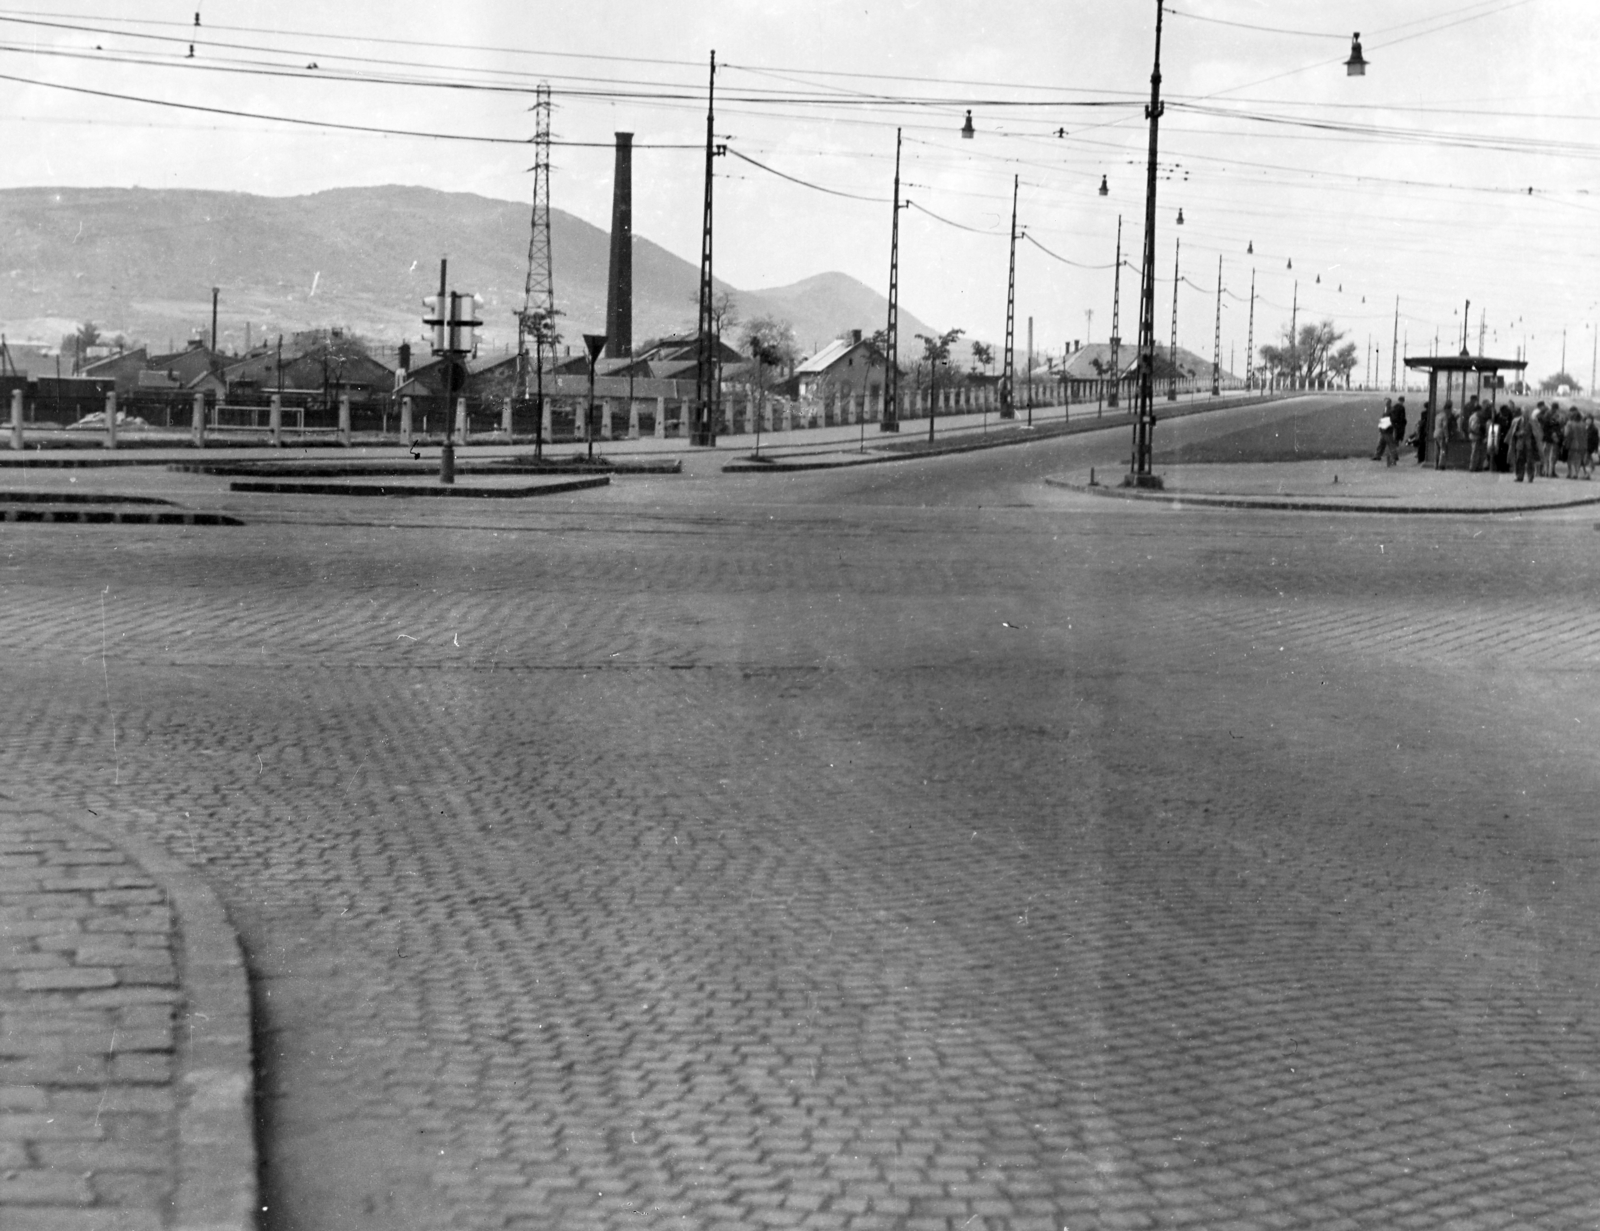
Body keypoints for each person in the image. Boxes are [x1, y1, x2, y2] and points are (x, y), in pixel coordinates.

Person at [1509, 403, 1541, 482]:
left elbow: (1538, 432)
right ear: (1522, 412)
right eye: (1524, 412)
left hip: (1529, 444)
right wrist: (1519, 433)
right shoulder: (1517, 421)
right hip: (1520, 444)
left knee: (1530, 461)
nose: (1526, 414)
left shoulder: (1533, 421)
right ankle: (1519, 476)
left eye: (1527, 412)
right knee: (1519, 461)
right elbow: (1513, 433)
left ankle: (1530, 476)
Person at [1564, 406, 1587, 479]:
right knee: (1578, 460)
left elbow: (1566, 434)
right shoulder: (1583, 424)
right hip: (1582, 445)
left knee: (1570, 459)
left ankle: (1570, 473)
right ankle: (1576, 473)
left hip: (1572, 444)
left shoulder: (1569, 423)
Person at [1468, 400, 1489, 472]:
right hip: (1476, 436)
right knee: (1475, 452)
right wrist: (1481, 429)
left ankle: (1477, 466)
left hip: (1477, 436)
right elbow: (1474, 428)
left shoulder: (1476, 417)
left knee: (1478, 452)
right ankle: (1473, 467)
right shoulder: (1475, 417)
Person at [1433, 398, 1453, 470]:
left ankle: (1436, 464)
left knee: (1437, 450)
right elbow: (1445, 427)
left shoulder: (1438, 415)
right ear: (1448, 409)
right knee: (1443, 450)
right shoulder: (1444, 416)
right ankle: (1441, 465)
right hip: (1441, 434)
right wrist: (1447, 436)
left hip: (1436, 433)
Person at [1372, 397, 1393, 461]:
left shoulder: (1390, 410)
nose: (1386, 403)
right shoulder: (1385, 409)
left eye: (1387, 402)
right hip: (1384, 427)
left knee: (1385, 442)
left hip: (1387, 427)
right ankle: (1377, 455)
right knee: (1381, 442)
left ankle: (1379, 455)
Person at [1586, 414, 1599, 480]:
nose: (1587, 421)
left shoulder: (1594, 429)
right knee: (1589, 461)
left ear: (1592, 420)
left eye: (1589, 420)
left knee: (1588, 461)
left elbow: (1596, 439)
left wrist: (1596, 449)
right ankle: (1588, 474)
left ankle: (1588, 475)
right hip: (1587, 446)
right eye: (1587, 419)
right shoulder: (1587, 427)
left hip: (1590, 447)